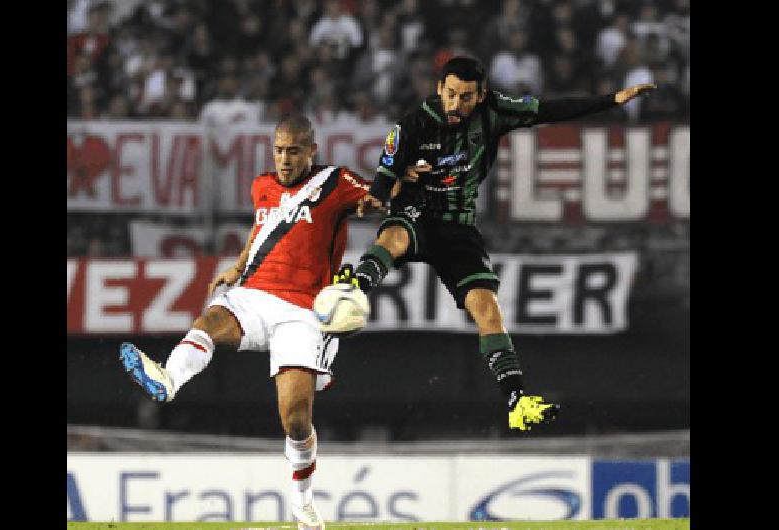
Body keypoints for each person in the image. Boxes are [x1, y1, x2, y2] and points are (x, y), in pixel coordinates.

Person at [339, 56, 655, 432]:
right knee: (394, 237)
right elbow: (383, 179)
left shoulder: (496, 112)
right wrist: (372, 199)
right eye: (451, 94)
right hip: (417, 212)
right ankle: (354, 288)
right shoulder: (411, 125)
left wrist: (611, 100)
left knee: (488, 312)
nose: (457, 105)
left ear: (481, 95)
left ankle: (517, 400)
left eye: (466, 97)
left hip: (459, 228)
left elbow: (550, 111)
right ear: (439, 89)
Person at [119, 114, 378, 530]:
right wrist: (238, 267)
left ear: (312, 150)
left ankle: (303, 504)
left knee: (295, 419)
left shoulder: (336, 183)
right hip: (254, 294)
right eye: (278, 149)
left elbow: (381, 197)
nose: (284, 159)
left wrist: (385, 195)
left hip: (303, 311)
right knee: (211, 319)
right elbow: (262, 231)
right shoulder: (262, 185)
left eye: (293, 150)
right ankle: (168, 380)